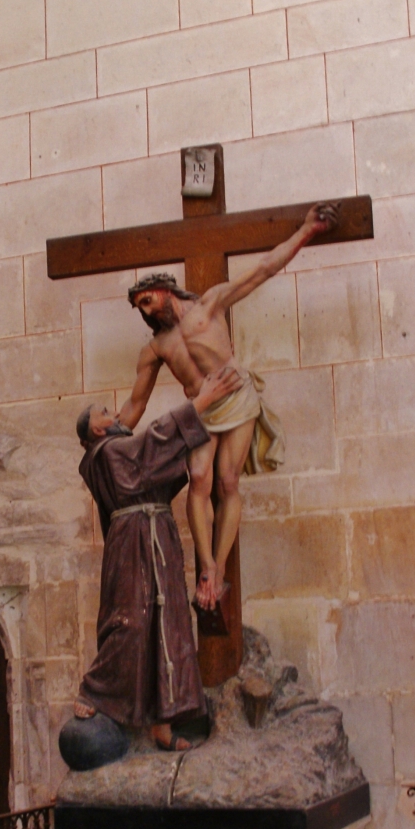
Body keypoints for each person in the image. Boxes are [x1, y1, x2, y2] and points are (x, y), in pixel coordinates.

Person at [118, 201, 340, 611]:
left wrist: (307, 230)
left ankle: (219, 568)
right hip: (201, 411)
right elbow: (135, 403)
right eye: (140, 308)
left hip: (236, 398)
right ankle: (206, 568)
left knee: (227, 482)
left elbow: (264, 269)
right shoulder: (155, 348)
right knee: (198, 477)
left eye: (147, 301)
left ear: (166, 289)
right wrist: (105, 434)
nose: (145, 312)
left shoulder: (211, 304)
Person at [73, 366, 242, 752]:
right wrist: (199, 404)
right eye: (105, 413)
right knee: (130, 623)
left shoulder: (117, 452)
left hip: (158, 538)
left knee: (169, 626)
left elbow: (157, 470)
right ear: (95, 430)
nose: (114, 415)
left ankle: (164, 724)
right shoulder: (105, 453)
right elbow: (150, 445)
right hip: (133, 543)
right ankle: (95, 693)